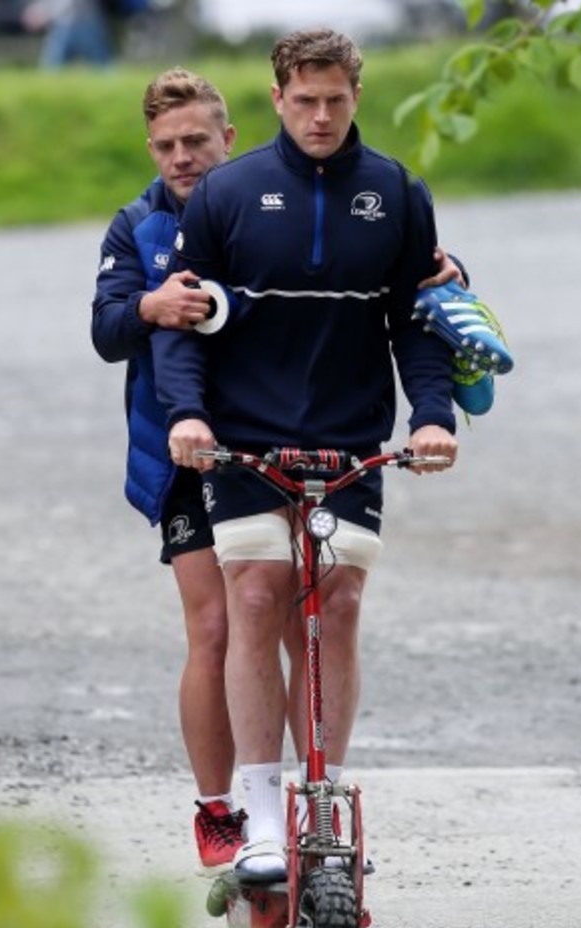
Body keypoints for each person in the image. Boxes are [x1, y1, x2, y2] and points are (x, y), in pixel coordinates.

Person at [92, 64, 463, 878]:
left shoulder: (282, 195)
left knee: (318, 612)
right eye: (166, 147)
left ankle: (312, 800)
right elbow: (109, 327)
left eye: (197, 141)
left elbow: (373, 277)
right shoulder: (141, 226)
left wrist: (443, 273)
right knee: (225, 619)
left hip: (288, 430)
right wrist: (148, 308)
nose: (183, 158)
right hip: (184, 445)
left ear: (230, 139)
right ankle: (223, 807)